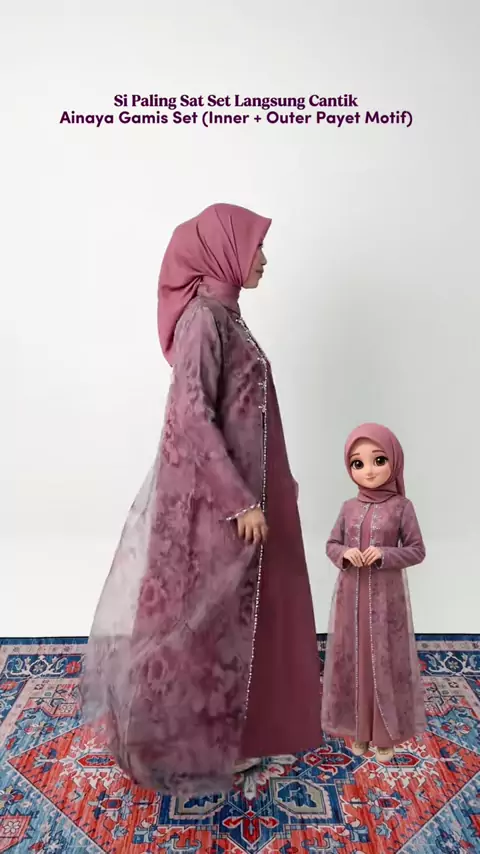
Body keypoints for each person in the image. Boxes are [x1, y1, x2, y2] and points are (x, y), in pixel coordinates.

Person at [81, 202, 322, 796]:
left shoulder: (228, 317)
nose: (264, 258)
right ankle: (188, 745)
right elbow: (190, 415)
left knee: (236, 622)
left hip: (242, 502)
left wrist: (276, 484)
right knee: (202, 625)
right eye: (256, 246)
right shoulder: (203, 321)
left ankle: (232, 735)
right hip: (216, 507)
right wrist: (239, 501)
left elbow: (246, 413)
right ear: (225, 251)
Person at [321, 423, 426, 763]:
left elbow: (417, 550)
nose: (368, 470)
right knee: (356, 660)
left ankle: (383, 734)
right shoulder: (348, 507)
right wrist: (345, 554)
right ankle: (359, 730)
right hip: (351, 596)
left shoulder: (402, 507)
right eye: (358, 463)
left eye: (379, 460)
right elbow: (331, 544)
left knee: (383, 660)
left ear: (394, 460)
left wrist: (385, 554)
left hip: (385, 600)